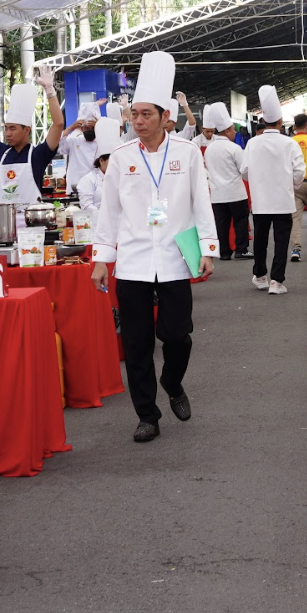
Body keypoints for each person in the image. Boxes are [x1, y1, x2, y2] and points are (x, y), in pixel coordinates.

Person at [91, 52, 217, 442]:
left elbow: (201, 202)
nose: (139, 121)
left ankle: (173, 382)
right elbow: (109, 211)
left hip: (176, 256)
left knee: (177, 335)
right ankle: (147, 414)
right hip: (133, 260)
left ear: (165, 117)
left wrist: (208, 249)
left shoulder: (187, 152)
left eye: (147, 114)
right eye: (135, 114)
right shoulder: (121, 158)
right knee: (137, 343)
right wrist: (101, 258)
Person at [0, 66, 65, 204]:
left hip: (31, 217)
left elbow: (58, 124)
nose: (8, 133)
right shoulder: (1, 152)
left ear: (27, 130)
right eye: (6, 128)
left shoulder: (38, 154)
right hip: (4, 217)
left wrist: (50, 91)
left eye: (13, 129)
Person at [243, 87, 305, 293]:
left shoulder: (252, 143)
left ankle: (260, 276)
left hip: (261, 201)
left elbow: (244, 171)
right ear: (280, 122)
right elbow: (299, 172)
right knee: (281, 241)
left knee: (260, 240)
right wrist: (291, 184)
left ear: (263, 121)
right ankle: (276, 282)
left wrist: (257, 181)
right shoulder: (290, 143)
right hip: (283, 201)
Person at [200, 104, 251, 260]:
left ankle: (224, 252)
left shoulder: (209, 149)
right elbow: (244, 169)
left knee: (221, 224)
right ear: (227, 130)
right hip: (235, 192)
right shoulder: (234, 148)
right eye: (233, 130)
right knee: (240, 221)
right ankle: (241, 249)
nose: (235, 132)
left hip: (217, 194)